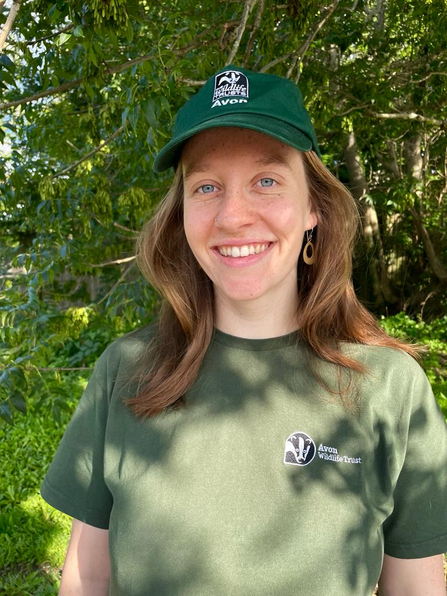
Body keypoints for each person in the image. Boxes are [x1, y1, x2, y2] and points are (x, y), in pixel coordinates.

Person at [41, 65, 447, 596]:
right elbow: (88, 577)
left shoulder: (392, 389)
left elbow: (417, 588)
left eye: (267, 181)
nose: (233, 216)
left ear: (312, 209)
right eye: (206, 186)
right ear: (182, 213)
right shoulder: (125, 371)